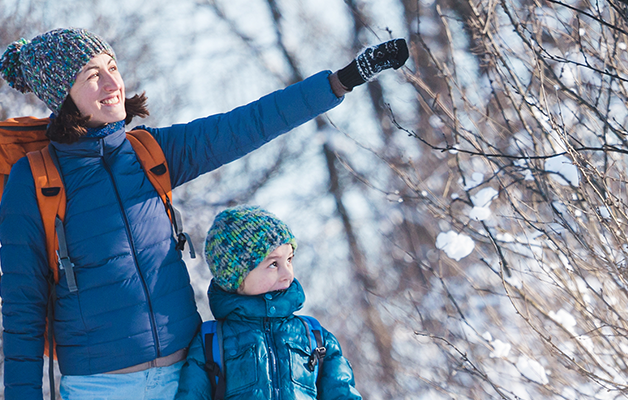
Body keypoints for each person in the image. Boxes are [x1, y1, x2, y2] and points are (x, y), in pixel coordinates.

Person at [0, 27, 407, 399]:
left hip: (189, 377)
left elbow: (246, 125)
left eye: (112, 67)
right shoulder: (33, 181)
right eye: (92, 76)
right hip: (101, 386)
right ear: (63, 95)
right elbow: (23, 308)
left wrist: (341, 80)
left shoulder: (148, 154)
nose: (113, 84)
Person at [175, 205, 362, 400]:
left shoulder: (314, 336)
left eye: (289, 260)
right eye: (273, 264)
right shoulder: (211, 342)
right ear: (236, 278)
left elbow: (342, 393)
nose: (287, 273)